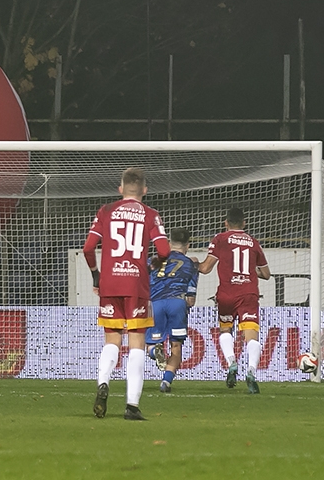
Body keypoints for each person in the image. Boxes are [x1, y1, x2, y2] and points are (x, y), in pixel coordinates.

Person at [83, 167, 170, 420]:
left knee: (112, 340)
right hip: (136, 284)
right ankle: (132, 405)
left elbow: (89, 248)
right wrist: (153, 264)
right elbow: (164, 251)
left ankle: (103, 383)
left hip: (110, 284)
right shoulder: (151, 215)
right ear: (144, 190)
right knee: (136, 345)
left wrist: (96, 275)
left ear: (120, 189)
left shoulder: (106, 211)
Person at [198, 208, 270, 394]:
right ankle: (252, 372)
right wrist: (250, 271)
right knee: (251, 334)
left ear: (226, 223)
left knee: (225, 329)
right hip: (248, 293)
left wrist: (189, 263)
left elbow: (205, 268)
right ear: (244, 224)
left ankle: (232, 363)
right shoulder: (253, 242)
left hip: (227, 294)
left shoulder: (220, 239)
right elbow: (266, 274)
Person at [145, 227, 198, 393]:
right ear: (188, 246)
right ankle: (166, 382)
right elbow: (191, 299)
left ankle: (155, 351)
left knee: (150, 343)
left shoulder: (153, 261)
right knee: (176, 346)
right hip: (177, 303)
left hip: (156, 303)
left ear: (168, 243)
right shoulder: (191, 264)